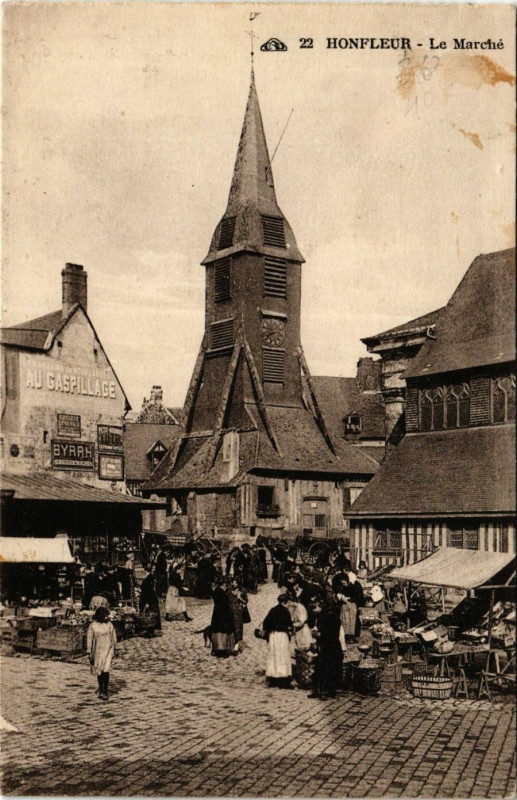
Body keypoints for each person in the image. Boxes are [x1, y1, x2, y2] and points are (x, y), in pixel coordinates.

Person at [309, 598, 343, 700]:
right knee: (331, 668)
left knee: (324, 668)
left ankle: (322, 691)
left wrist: (317, 634)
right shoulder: (332, 615)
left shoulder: (327, 617)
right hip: (333, 645)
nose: (314, 610)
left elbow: (327, 633)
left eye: (316, 607)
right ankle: (328, 691)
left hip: (328, 646)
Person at [262, 594, 293, 688]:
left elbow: (265, 623)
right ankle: (283, 680)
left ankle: (273, 679)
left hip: (273, 636)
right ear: (283, 603)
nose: (289, 604)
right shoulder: (285, 612)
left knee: (273, 657)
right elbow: (289, 625)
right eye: (288, 603)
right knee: (283, 657)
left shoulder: (273, 610)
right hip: (282, 636)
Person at [87, 606, 117, 701]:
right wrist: (89, 651)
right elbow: (89, 639)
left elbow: (113, 637)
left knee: (106, 670)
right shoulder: (93, 626)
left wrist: (115, 649)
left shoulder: (109, 625)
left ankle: (105, 691)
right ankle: (100, 689)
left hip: (108, 649)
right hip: (97, 650)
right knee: (99, 670)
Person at [210, 578, 235, 657]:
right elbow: (224, 605)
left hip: (217, 614)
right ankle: (221, 651)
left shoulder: (216, 591)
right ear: (223, 585)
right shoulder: (221, 593)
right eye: (225, 585)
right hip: (222, 614)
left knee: (216, 631)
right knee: (222, 632)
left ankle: (215, 649)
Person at [227, 579, 250, 655]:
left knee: (238, 628)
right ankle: (230, 644)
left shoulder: (243, 590)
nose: (234, 584)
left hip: (239, 612)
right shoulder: (229, 590)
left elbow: (246, 601)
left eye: (235, 582)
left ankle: (236, 646)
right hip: (230, 611)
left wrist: (239, 597)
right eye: (233, 582)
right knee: (231, 627)